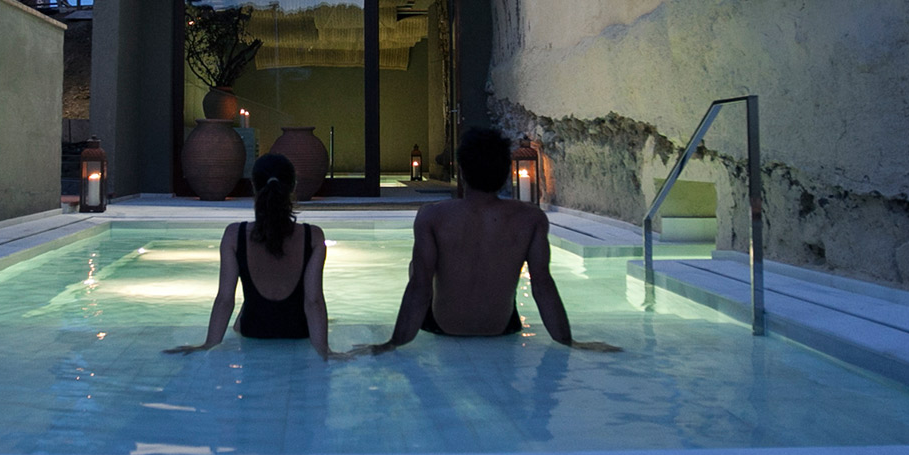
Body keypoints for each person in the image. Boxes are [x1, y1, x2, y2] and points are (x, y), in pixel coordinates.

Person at [370, 127, 620, 353]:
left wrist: (393, 343)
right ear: (506, 172)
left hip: (443, 326)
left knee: (417, 268)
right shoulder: (530, 218)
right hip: (501, 327)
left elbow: (420, 287)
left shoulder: (433, 216)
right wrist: (568, 341)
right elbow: (542, 286)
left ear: (462, 171)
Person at [166, 152, 340, 359]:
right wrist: (325, 352)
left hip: (253, 330)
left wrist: (209, 345)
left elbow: (225, 299)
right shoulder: (313, 236)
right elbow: (313, 301)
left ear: (254, 188)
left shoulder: (234, 235)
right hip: (297, 331)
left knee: (244, 310)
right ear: (293, 187)